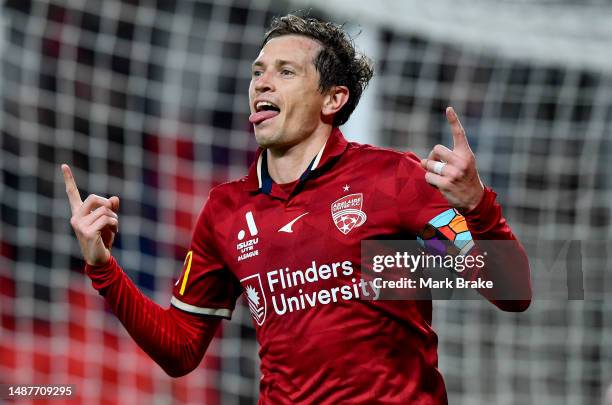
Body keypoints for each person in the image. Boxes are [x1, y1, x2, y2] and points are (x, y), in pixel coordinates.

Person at [62, 14, 531, 404]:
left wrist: (476, 204)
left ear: (333, 98)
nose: (262, 83)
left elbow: (511, 292)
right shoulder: (226, 210)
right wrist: (102, 267)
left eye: (286, 72)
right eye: (258, 71)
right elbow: (181, 350)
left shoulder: (396, 183)